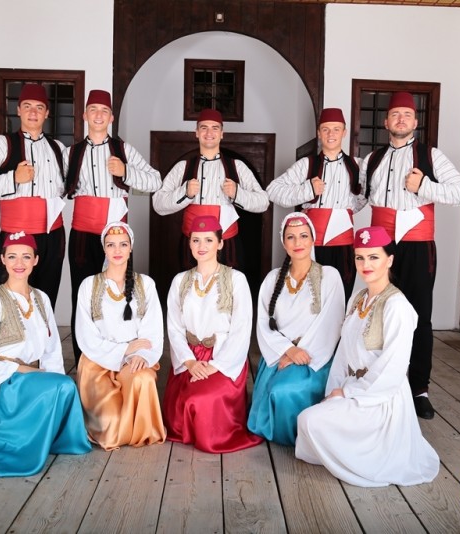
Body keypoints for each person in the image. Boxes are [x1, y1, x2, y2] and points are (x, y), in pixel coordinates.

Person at [295, 226, 440, 486]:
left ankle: (368, 451)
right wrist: (335, 391)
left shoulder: (397, 306)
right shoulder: (358, 298)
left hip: (380, 397)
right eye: (360, 257)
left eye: (374, 257)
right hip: (351, 387)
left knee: (309, 420)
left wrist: (349, 393)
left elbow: (393, 369)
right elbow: (342, 355)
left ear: (390, 260)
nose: (365, 265)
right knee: (307, 421)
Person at [362, 92, 460, 419]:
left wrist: (424, 186)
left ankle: (418, 389)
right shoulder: (372, 160)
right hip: (380, 246)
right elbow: (359, 198)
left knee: (418, 317)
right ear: (386, 122)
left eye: (406, 114)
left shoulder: (431, 156)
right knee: (378, 312)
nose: (400, 119)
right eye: (395, 114)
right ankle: (380, 381)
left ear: (415, 121)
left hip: (418, 244)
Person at [0, 231, 91, 477]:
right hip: (6, 381)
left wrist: (52, 376)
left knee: (64, 385)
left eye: (26, 257)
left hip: (33, 376)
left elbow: (51, 348)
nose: (19, 263)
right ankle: (22, 442)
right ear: (2, 260)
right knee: (63, 386)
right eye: (12, 256)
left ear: (35, 260)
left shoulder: (41, 298)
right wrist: (22, 369)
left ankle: (50, 437)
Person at [65, 89, 162, 364]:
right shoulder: (71, 153)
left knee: (120, 294)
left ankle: (121, 357)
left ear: (111, 117)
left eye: (104, 111)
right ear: (84, 115)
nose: (98, 115)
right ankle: (84, 363)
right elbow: (56, 187)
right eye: (93, 110)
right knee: (83, 296)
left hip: (116, 236)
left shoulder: (124, 150)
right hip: (82, 233)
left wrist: (126, 172)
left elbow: (155, 181)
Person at [163, 215, 263, 453]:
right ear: (189, 244)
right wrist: (189, 362)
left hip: (223, 358)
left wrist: (215, 366)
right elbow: (174, 328)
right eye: (196, 240)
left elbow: (241, 329)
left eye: (208, 240)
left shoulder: (236, 279)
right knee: (180, 407)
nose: (202, 246)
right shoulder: (180, 281)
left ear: (220, 243)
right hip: (189, 358)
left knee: (200, 400)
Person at [247, 212, 345, 446]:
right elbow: (263, 323)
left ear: (313, 239)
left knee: (284, 390)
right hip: (279, 356)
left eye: (303, 235)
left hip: (313, 358)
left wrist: (299, 353)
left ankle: (303, 437)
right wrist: (288, 351)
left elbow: (331, 324)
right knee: (274, 390)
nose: (297, 242)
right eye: (290, 237)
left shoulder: (329, 276)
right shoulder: (273, 279)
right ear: (283, 242)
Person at [0, 84, 66, 308]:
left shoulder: (58, 148)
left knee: (45, 300)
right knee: (12, 303)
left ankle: (42, 332)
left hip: (53, 236)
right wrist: (13, 178)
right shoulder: (2, 144)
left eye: (39, 107)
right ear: (18, 110)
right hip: (16, 236)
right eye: (27, 106)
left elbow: (71, 185)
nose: (33, 112)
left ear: (47, 113)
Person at [74, 222, 166, 450]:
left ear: (131, 247)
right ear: (104, 249)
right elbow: (85, 336)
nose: (117, 250)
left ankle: (143, 432)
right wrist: (125, 348)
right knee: (111, 425)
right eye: (111, 245)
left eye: (123, 244)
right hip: (97, 364)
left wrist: (140, 354)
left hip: (134, 359)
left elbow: (153, 330)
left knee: (143, 378)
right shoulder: (89, 285)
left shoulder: (145, 284)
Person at [152, 108, 269, 270]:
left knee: (227, 284)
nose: (209, 133)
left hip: (227, 243)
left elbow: (263, 202)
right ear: (197, 132)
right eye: (204, 127)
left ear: (222, 133)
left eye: (215, 128)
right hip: (193, 243)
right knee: (192, 283)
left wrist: (237, 194)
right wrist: (184, 193)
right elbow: (158, 204)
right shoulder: (182, 167)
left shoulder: (237, 167)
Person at [267, 108, 366, 298]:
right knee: (309, 295)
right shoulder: (306, 165)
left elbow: (366, 195)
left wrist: (343, 213)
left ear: (344, 132)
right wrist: (308, 190)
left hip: (344, 244)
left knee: (340, 295)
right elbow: (273, 191)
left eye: (336, 129)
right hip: (311, 242)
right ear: (318, 133)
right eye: (325, 129)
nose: (331, 134)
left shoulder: (358, 165)